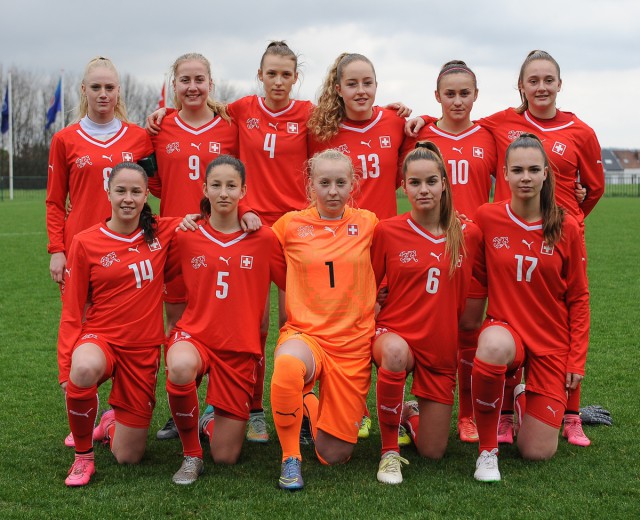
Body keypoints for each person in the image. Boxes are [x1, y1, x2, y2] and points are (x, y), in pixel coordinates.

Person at [474, 50, 604, 447]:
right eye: (534, 80)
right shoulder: (502, 123)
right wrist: (414, 118)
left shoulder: (580, 130)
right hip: (513, 231)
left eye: (549, 79)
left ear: (560, 84)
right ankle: (506, 407)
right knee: (508, 316)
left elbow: (594, 187)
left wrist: (573, 216)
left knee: (561, 305)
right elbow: (457, 123)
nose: (542, 87)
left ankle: (569, 412)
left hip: (558, 232)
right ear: (521, 86)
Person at [146, 52, 259, 442]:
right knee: (177, 325)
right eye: (185, 80)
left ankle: (230, 405)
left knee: (228, 322)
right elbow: (154, 184)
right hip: (178, 241)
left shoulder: (231, 127)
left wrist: (247, 210)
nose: (192, 87)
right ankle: (183, 409)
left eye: (199, 79)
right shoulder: (159, 130)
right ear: (174, 85)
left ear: (211, 84)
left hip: (223, 241)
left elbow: (245, 176)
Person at [46, 56, 153, 448]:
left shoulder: (138, 138)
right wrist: (56, 249)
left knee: (124, 331)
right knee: (82, 333)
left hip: (127, 253)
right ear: (84, 91)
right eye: (96, 87)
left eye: (110, 87)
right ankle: (83, 418)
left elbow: (156, 186)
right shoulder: (66, 139)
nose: (103, 94)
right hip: (81, 252)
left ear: (119, 91)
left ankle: (116, 415)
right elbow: (55, 202)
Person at [471, 133, 589, 482]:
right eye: (517, 170)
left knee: (536, 452)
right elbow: (473, 276)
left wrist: (576, 358)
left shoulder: (566, 226)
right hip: (506, 332)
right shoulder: (487, 217)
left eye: (533, 170)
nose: (525, 177)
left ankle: (521, 399)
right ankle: (487, 451)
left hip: (551, 344)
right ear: (504, 174)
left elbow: (579, 298)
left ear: (545, 175)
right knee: (492, 345)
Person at [163, 155, 286, 484]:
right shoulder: (186, 236)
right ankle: (191, 455)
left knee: (226, 457)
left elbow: (293, 281)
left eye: (231, 186)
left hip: (238, 348)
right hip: (196, 336)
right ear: (204, 188)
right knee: (179, 366)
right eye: (216, 185)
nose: (223, 192)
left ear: (243, 190)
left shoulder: (264, 238)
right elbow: (156, 269)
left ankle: (207, 422)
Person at [307, 52, 408, 440]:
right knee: (338, 326)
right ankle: (343, 408)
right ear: (338, 89)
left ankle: (389, 407)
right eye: (352, 83)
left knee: (381, 323)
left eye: (368, 83)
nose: (361, 90)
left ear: (377, 86)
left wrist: (416, 117)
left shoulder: (396, 122)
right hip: (335, 245)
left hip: (382, 243)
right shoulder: (321, 128)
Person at [58, 162, 177, 486]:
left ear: (145, 195)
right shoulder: (86, 242)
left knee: (129, 456)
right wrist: (64, 366)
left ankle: (109, 424)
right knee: (82, 369)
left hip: (143, 351)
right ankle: (83, 458)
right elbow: (72, 311)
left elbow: (207, 221)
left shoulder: (163, 232)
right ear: (108, 192)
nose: (128, 198)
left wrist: (248, 213)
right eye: (121, 190)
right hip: (102, 339)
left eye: (136, 191)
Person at [371, 142, 482, 484]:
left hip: (440, 348)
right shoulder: (387, 231)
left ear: (444, 184)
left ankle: (407, 415)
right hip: (394, 335)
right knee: (393, 352)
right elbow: (366, 287)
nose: (423, 190)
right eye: (415, 183)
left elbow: (479, 288)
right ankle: (389, 451)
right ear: (403, 186)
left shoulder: (468, 234)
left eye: (431, 181)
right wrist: (375, 306)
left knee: (433, 452)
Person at [270, 149, 378, 490]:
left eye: (340, 183)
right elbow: (250, 247)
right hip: (306, 336)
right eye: (324, 183)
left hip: (352, 344)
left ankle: (307, 405)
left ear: (353, 186)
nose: (333, 191)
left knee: (333, 455)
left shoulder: (369, 224)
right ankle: (290, 458)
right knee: (287, 366)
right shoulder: (289, 225)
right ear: (310, 185)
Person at [400, 60, 496, 444]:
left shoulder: (489, 135)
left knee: (469, 330)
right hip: (428, 251)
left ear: (476, 95)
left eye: (465, 93)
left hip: (472, 250)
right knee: (426, 331)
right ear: (437, 96)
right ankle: (418, 406)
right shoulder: (420, 136)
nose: (457, 101)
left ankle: (468, 414)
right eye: (449, 93)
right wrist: (415, 117)